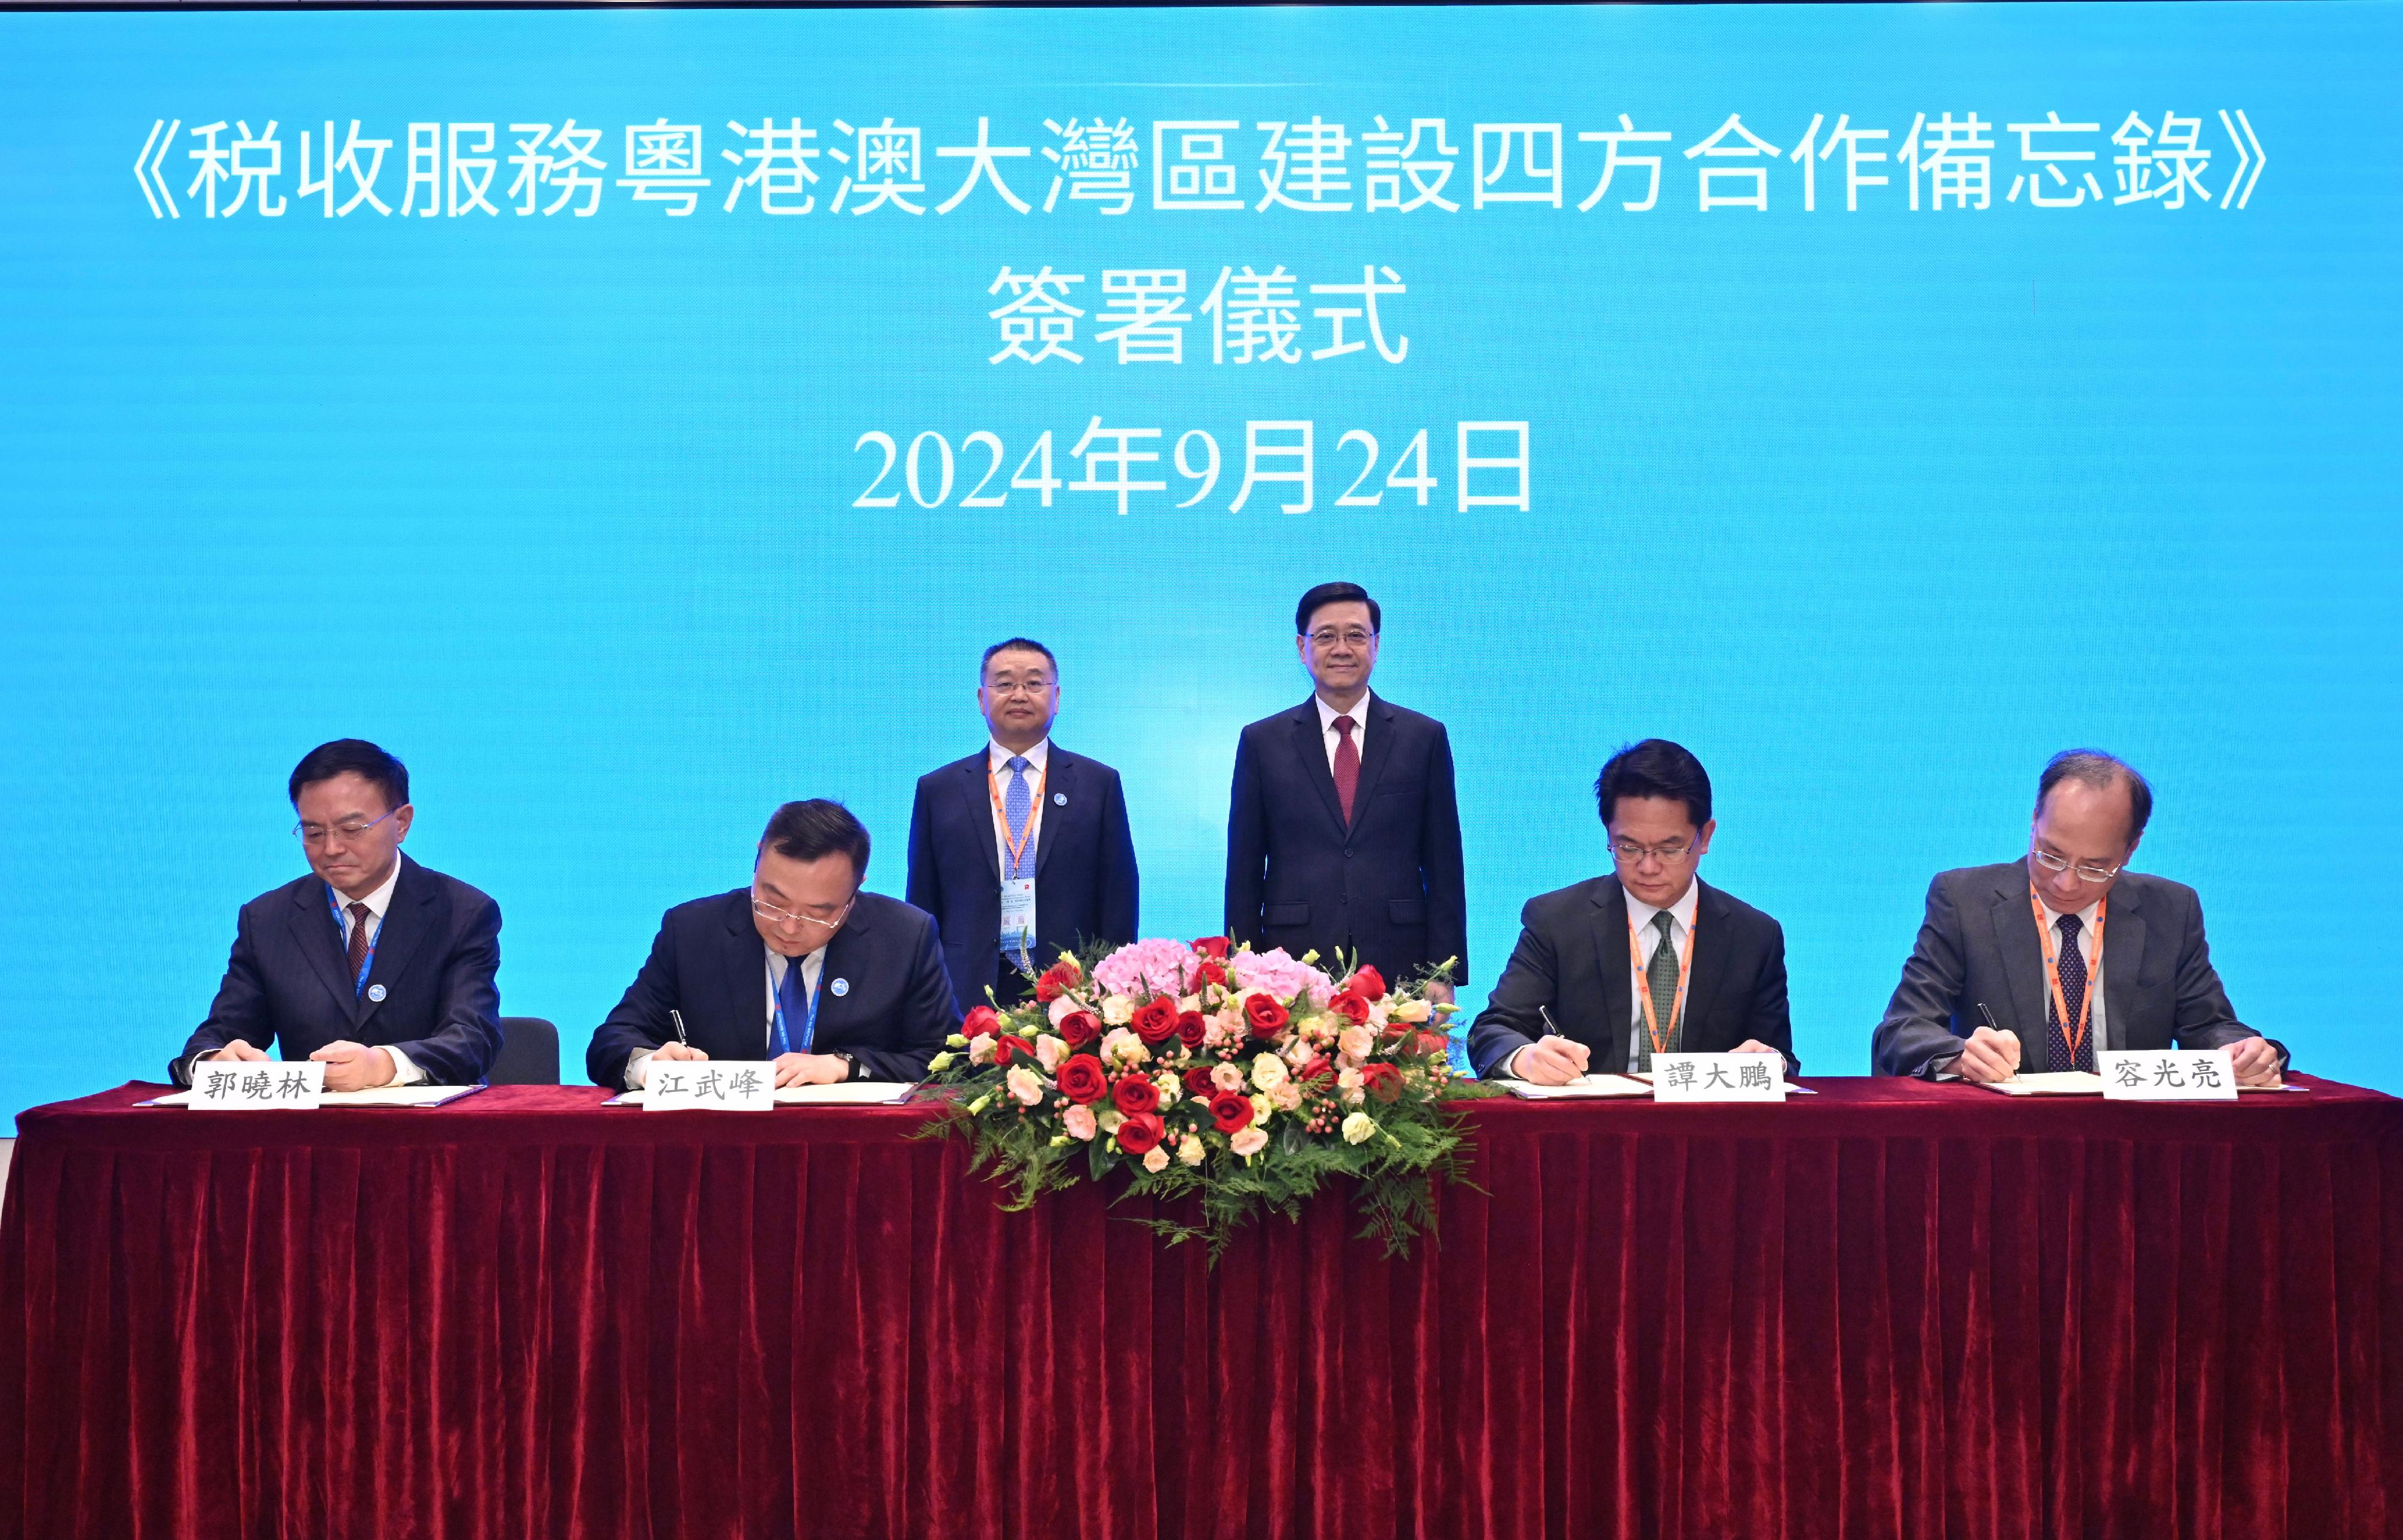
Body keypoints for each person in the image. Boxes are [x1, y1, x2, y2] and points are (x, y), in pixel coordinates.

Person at [1873, 749, 2285, 1084]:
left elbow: (2211, 1026)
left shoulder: (2171, 911)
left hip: (2131, 1138)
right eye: (2051, 855)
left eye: (2094, 867)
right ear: (2034, 822)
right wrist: (1961, 1056)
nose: (2066, 883)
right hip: (2007, 1134)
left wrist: (2243, 1052)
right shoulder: (1964, 901)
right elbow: (1901, 1031)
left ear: (2131, 848)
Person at [174, 739, 501, 1088]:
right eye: (313, 832)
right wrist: (212, 1063)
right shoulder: (267, 919)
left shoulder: (462, 912)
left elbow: (472, 1038)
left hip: (430, 1130)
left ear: (402, 823)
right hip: (309, 1133)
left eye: (351, 830)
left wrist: (384, 1066)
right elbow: (219, 1034)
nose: (331, 848)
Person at [1468, 739, 1794, 1082]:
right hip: (1591, 1126)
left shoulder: (1754, 936)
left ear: (1706, 837)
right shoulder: (1557, 921)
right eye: (1629, 848)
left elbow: (1781, 1058)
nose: (1648, 867)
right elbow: (1493, 1030)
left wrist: (1772, 1061)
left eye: (1670, 849)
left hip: (1703, 1127)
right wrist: (1525, 1058)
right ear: (1608, 834)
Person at [588, 799, 958, 1090]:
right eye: (773, 901)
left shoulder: (905, 937)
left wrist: (848, 1066)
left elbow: (948, 1057)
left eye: (818, 912)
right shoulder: (692, 931)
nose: (790, 927)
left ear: (856, 890)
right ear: (758, 857)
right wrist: (650, 1064)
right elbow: (611, 1042)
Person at [1226, 582, 1466, 999]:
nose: (1342, 648)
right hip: (1293, 961)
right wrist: (1241, 969)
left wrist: (1442, 972)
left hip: (1400, 960)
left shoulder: (1422, 737)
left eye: (1356, 635)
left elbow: (1444, 864)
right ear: (1303, 648)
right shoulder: (1263, 742)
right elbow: (1244, 869)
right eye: (1326, 636)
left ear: (1377, 645)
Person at [906, 638, 1139, 1012]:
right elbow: (922, 901)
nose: (1019, 694)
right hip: (965, 985)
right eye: (1004, 684)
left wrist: (1112, 990)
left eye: (1034, 683)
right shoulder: (939, 789)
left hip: (1069, 986)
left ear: (1057, 698)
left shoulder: (1098, 784)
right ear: (982, 698)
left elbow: (1118, 898)